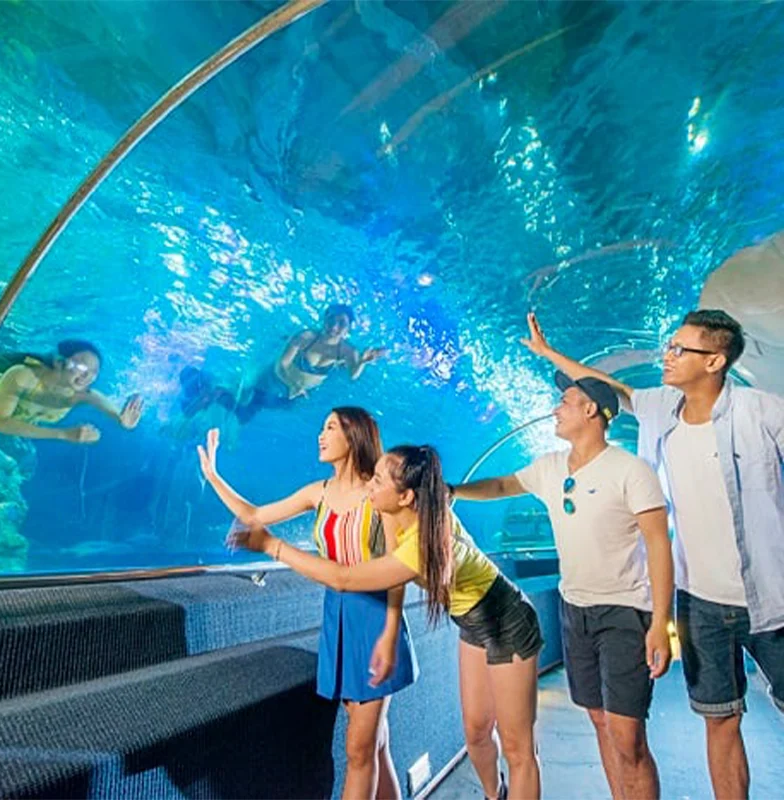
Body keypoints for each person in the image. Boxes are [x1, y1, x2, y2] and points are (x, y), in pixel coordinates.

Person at [522, 310, 784, 800]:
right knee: (719, 721)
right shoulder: (661, 407)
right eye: (670, 345)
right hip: (699, 600)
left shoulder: (763, 410)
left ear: (715, 361)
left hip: (774, 596)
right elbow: (606, 388)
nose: (668, 355)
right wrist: (548, 352)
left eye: (680, 349)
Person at [226, 444, 544, 800]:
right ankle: (496, 795)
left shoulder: (422, 545)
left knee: (518, 748)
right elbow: (429, 501)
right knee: (476, 734)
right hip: (471, 623)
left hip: (508, 619)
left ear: (406, 496)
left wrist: (273, 546)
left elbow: (344, 578)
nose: (369, 486)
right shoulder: (405, 510)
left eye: (377, 481)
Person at [452, 372, 673, 800]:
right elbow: (502, 485)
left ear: (591, 410)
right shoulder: (550, 467)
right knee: (600, 720)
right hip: (575, 611)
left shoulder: (631, 470)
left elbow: (658, 545)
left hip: (625, 610)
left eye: (566, 402)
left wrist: (660, 623)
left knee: (627, 736)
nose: (556, 409)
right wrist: (453, 491)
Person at [198, 407, 417, 800]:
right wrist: (213, 475)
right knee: (374, 743)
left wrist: (389, 632)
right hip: (338, 621)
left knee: (359, 749)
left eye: (330, 427)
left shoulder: (378, 493)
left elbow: (395, 569)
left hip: (374, 621)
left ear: (354, 435)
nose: (321, 435)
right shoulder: (318, 492)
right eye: (322, 427)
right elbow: (254, 515)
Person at [183, 305, 387, 423]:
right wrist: (294, 385)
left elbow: (353, 375)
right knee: (245, 412)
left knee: (261, 410)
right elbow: (281, 365)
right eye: (331, 320)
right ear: (324, 319)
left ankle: (212, 389)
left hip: (295, 392)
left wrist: (363, 362)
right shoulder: (306, 337)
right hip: (275, 380)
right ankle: (216, 390)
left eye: (341, 323)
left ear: (348, 328)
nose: (334, 326)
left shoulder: (348, 351)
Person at [0, 340, 143, 444]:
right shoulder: (24, 376)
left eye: (93, 373)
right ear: (59, 362)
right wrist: (63, 434)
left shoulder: (81, 394)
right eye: (82, 368)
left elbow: (110, 409)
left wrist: (122, 421)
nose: (86, 377)